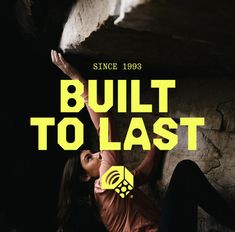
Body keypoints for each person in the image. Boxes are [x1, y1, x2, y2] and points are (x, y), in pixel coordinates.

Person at [51, 50, 235, 232]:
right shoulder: (104, 184)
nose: (98, 154)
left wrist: (159, 140)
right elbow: (106, 125)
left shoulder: (113, 189)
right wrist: (77, 79)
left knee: (185, 175)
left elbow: (145, 173)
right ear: (85, 177)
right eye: (89, 158)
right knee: (185, 171)